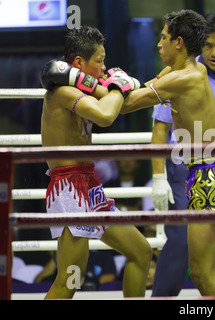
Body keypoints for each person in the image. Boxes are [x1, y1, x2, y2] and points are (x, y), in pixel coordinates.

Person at [121, 10, 215, 297]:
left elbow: (126, 105)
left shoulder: (185, 77)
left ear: (178, 42)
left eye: (163, 38)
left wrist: (98, 82)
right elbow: (151, 85)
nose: (158, 44)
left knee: (202, 273)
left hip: (207, 176)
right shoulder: (192, 71)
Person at [39, 26, 152, 299]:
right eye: (99, 61)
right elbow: (105, 115)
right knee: (70, 280)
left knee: (140, 252)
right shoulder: (62, 93)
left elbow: (121, 104)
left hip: (89, 185)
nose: (104, 68)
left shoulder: (86, 88)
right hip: (68, 186)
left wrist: (154, 88)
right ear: (78, 63)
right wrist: (117, 85)